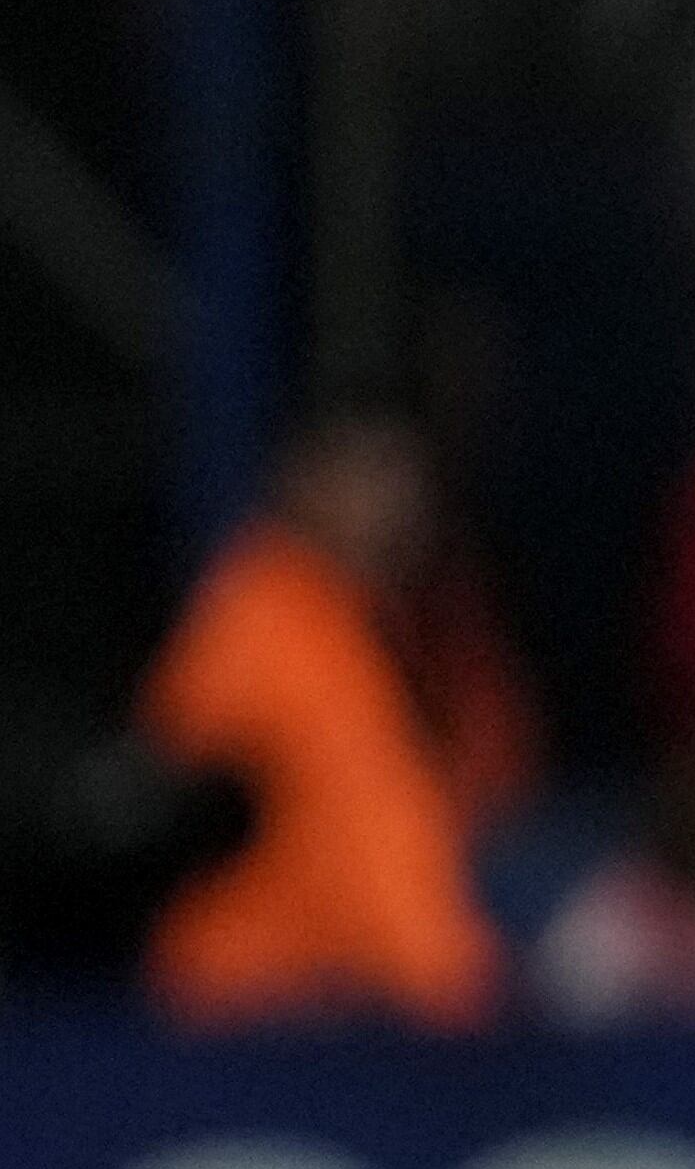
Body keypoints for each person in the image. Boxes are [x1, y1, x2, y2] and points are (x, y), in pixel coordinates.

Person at [140, 414, 533, 1033]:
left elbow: (475, 791)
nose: (392, 504)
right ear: (305, 484)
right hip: (255, 1009)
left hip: (372, 1013)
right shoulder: (255, 620)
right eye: (366, 476)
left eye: (401, 478)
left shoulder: (395, 626)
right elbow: (190, 799)